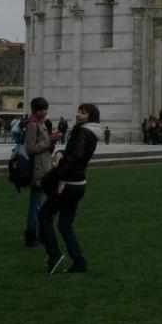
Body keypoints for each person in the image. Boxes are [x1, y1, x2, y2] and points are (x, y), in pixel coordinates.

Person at [38, 103, 101, 275]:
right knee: (65, 225)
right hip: (79, 184)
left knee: (44, 215)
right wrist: (61, 152)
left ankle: (54, 255)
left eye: (83, 113)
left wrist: (62, 178)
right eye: (79, 111)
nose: (79, 114)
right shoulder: (92, 132)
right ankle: (79, 263)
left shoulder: (82, 131)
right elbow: (76, 155)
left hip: (68, 184)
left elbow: (76, 156)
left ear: (91, 117)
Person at [23, 96, 61, 247]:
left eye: (45, 109)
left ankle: (38, 233)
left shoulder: (40, 123)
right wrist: (49, 140)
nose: (44, 111)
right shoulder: (33, 124)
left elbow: (44, 147)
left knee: (41, 202)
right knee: (37, 203)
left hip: (45, 168)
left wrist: (53, 140)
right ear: (34, 110)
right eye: (41, 109)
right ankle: (33, 235)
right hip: (38, 170)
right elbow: (30, 149)